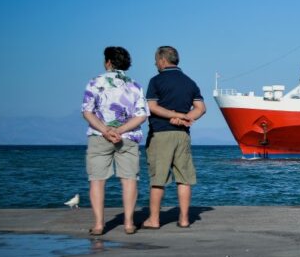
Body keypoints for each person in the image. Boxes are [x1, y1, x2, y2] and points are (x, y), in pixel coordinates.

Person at [81, 46, 149, 236]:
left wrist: (105, 131)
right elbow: (142, 115)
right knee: (129, 180)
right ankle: (128, 224)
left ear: (108, 62)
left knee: (97, 180)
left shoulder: (95, 82)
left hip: (99, 136)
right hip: (127, 137)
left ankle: (99, 225)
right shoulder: (135, 85)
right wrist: (119, 130)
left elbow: (87, 111)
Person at [142, 46, 206, 229]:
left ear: (162, 60)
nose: (155, 63)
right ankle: (184, 219)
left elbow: (152, 107)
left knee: (158, 179)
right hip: (182, 135)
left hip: (161, 134)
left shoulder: (156, 81)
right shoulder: (190, 82)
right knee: (184, 178)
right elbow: (201, 108)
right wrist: (185, 118)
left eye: (156, 60)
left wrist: (172, 116)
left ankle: (154, 220)